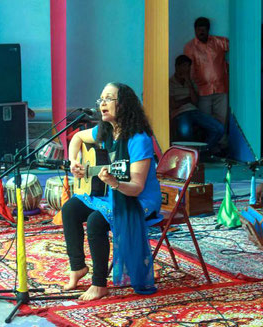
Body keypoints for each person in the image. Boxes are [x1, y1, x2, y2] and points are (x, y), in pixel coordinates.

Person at [62, 82, 161, 301]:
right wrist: (73, 161)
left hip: (138, 199)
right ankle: (77, 267)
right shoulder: (106, 130)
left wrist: (114, 183)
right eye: (101, 100)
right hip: (111, 193)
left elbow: (136, 187)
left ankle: (99, 284)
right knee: (70, 209)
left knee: (97, 221)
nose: (102, 104)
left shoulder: (139, 139)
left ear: (123, 104)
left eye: (108, 99)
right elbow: (77, 138)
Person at [169, 54, 224, 156]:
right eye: (184, 66)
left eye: (188, 67)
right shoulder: (170, 83)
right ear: (177, 66)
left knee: (219, 128)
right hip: (180, 114)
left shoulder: (190, 82)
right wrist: (187, 99)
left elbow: (194, 101)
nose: (187, 70)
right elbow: (173, 104)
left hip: (194, 111)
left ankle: (200, 154)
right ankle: (190, 156)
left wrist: (189, 83)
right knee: (185, 131)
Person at [184, 17, 229, 127]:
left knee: (222, 119)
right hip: (202, 91)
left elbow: (238, 49)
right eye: (198, 30)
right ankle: (208, 144)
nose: (201, 33)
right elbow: (186, 69)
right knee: (206, 122)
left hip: (221, 88)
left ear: (208, 30)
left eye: (203, 30)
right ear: (195, 30)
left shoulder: (220, 42)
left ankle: (222, 143)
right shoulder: (190, 47)